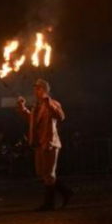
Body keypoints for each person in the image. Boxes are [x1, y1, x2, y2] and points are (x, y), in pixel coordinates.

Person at [17, 79, 73, 211]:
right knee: (41, 173)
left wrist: (49, 104)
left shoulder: (53, 103)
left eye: (39, 88)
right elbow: (31, 120)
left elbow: (61, 117)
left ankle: (49, 204)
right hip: (39, 144)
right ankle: (66, 192)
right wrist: (22, 108)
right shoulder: (36, 107)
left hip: (50, 143)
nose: (36, 91)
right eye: (35, 89)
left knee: (48, 174)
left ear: (45, 90)